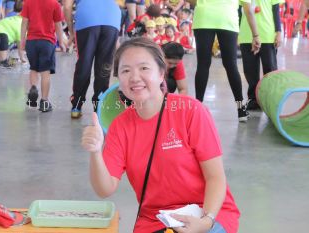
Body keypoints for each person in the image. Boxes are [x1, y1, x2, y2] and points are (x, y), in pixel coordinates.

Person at [82, 37, 240, 233]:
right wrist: (95, 152)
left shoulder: (191, 111)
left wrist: (206, 223)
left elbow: (215, 177)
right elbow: (104, 189)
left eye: (144, 68)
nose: (134, 77)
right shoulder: (119, 127)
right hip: (156, 220)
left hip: (207, 213)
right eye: (125, 70)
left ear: (161, 74)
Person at [192, 0, 261, 122]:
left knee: (203, 64)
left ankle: (197, 108)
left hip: (204, 18)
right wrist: (255, 35)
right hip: (227, 19)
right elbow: (248, 10)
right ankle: (241, 111)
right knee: (231, 66)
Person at [63, 0, 121, 119]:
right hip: (112, 17)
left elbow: (67, 6)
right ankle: (99, 109)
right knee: (104, 66)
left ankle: (77, 106)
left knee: (84, 63)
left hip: (87, 18)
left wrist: (70, 29)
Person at [21, 0, 65, 112]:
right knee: (45, 72)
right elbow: (58, 25)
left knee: (33, 69)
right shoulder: (55, 4)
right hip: (47, 42)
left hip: (31, 41)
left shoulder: (28, 2)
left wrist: (22, 41)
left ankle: (33, 88)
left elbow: (24, 22)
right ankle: (44, 102)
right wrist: (61, 42)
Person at [239, 0, 284, 110]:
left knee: (270, 71)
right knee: (250, 70)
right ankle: (253, 100)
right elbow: (239, 11)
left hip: (267, 34)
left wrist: (278, 32)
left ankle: (271, 100)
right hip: (247, 34)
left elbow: (276, 10)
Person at [0, 0, 25, 68]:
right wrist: (23, 59)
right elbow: (20, 46)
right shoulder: (21, 23)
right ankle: (3, 61)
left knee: (10, 41)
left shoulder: (17, 19)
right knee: (4, 37)